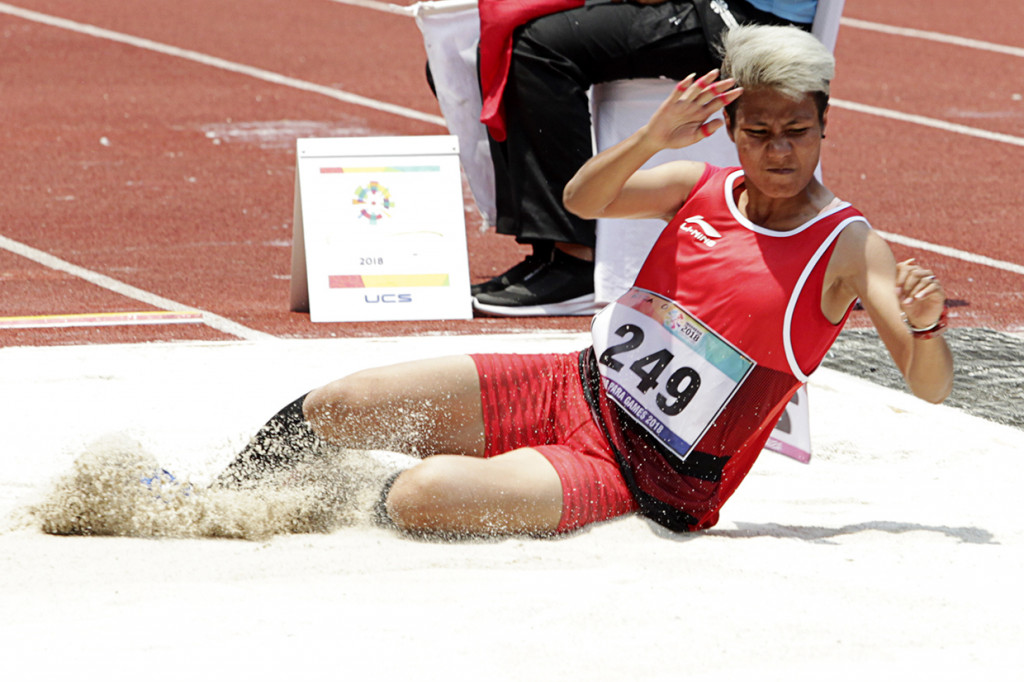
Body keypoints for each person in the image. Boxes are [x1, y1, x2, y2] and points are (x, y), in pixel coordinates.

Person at [216, 25, 952, 537]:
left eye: (797, 131)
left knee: (422, 495)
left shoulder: (850, 247)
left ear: (824, 128)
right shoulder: (698, 185)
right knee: (343, 404)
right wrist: (653, 137)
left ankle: (290, 515)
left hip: (644, 479)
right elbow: (582, 201)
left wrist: (924, 325)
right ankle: (213, 502)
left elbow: (929, 386)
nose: (780, 150)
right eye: (759, 132)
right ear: (733, 131)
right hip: (575, 385)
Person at [471, 0, 820, 317]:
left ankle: (574, 260)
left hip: (753, 15)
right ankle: (546, 251)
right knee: (498, 36)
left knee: (538, 48)